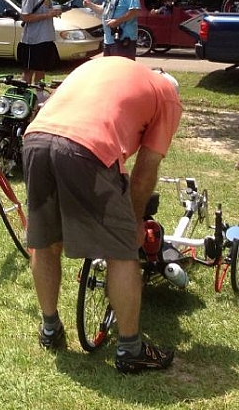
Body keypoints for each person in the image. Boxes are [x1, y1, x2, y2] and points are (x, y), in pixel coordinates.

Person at [22, 56, 182, 373]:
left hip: (35, 138)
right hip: (86, 146)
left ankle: (50, 329)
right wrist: (133, 222)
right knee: (122, 252)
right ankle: (130, 349)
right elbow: (145, 170)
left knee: (45, 241)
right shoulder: (167, 95)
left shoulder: (110, 66)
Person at [18, 0, 62, 84]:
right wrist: (47, 15)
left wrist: (54, 12)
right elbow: (25, 17)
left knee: (41, 69)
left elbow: (47, 10)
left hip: (46, 38)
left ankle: (39, 97)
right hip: (33, 41)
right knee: (29, 71)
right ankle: (24, 98)